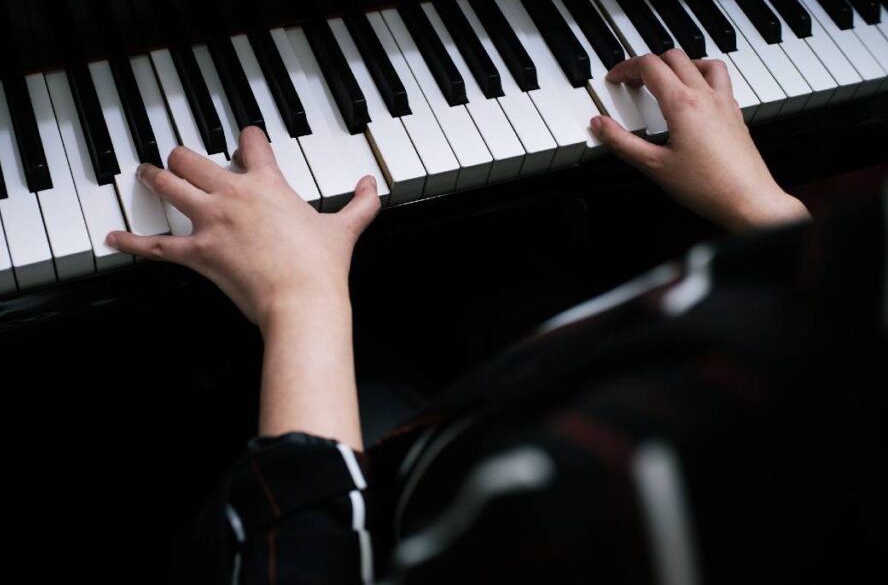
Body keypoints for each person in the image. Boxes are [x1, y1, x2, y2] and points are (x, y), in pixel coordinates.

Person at [105, 50, 885, 583]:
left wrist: (298, 301)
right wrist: (773, 217)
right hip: (546, 394)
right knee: (506, 272)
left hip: (399, 509)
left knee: (352, 366)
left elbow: (305, 560)